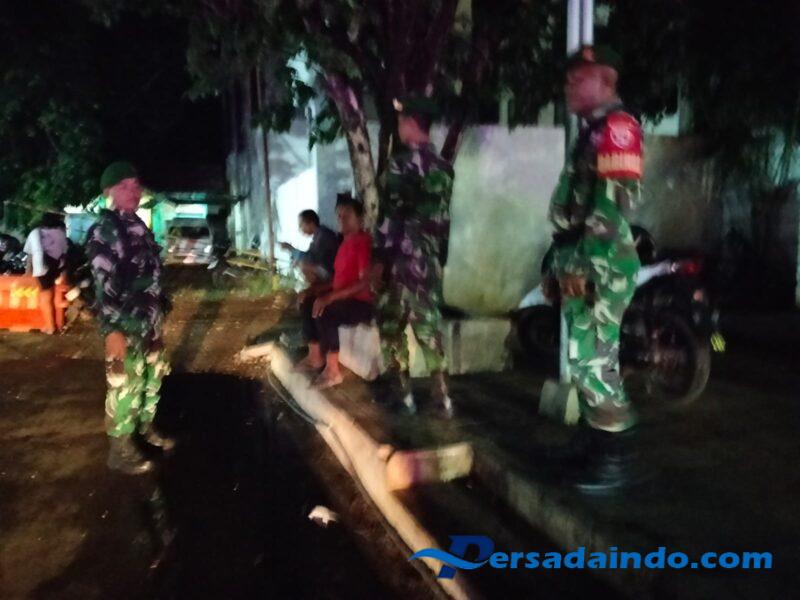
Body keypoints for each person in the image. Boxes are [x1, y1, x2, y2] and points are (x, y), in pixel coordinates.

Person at [544, 45, 645, 493]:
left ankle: (614, 457)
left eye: (578, 78)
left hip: (601, 263)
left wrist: (583, 266)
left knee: (595, 361)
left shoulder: (618, 128)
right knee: (581, 356)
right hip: (580, 259)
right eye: (568, 78)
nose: (569, 85)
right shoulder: (591, 131)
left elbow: (609, 210)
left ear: (606, 81)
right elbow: (575, 210)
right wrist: (557, 264)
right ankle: (592, 441)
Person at [86, 161, 173, 475]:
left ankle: (145, 428)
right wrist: (112, 330)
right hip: (124, 323)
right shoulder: (105, 231)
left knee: (152, 377)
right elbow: (103, 285)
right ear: (108, 192)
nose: (133, 191)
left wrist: (158, 315)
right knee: (125, 385)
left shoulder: (139, 226)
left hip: (149, 321)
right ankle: (120, 448)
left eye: (136, 185)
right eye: (124, 186)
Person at [373, 94, 454, 416]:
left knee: (391, 326)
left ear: (409, 122)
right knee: (428, 327)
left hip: (400, 259)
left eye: (401, 120)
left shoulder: (400, 164)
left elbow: (390, 216)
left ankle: (404, 396)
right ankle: (442, 397)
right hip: (429, 259)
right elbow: (443, 221)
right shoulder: (444, 168)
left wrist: (379, 260)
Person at [297, 195, 374, 389]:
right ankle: (315, 357)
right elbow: (337, 280)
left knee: (326, 310)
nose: (341, 219)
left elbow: (364, 282)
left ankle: (333, 371)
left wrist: (330, 296)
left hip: (360, 303)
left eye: (347, 215)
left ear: (360, 219)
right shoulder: (345, 244)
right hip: (344, 298)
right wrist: (314, 290)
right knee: (308, 302)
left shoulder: (362, 242)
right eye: (339, 216)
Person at [24, 212, 68, 334]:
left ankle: (50, 326)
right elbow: (65, 253)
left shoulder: (35, 233)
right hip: (57, 267)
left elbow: (30, 254)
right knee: (52, 295)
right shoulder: (60, 233)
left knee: (45, 297)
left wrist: (28, 271)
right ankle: (55, 323)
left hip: (42, 267)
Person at [280, 208, 340, 283]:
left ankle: (320, 287)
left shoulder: (322, 236)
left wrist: (291, 249)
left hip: (331, 271)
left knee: (304, 266)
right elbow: (310, 255)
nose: (300, 229)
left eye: (301, 225)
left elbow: (311, 258)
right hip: (329, 268)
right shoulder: (319, 234)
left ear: (311, 223)